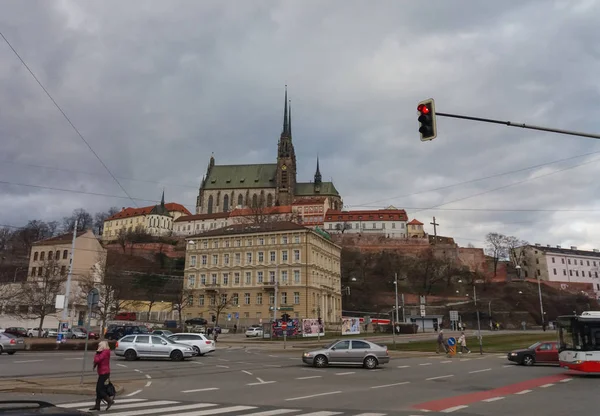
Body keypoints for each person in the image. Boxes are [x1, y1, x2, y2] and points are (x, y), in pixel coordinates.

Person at [90, 341, 114, 411]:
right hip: (103, 372)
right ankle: (97, 405)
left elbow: (97, 360)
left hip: (104, 373)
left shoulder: (105, 352)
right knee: (99, 389)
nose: (98, 347)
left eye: (99, 346)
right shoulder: (105, 352)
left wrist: (97, 353)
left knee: (99, 389)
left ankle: (109, 401)